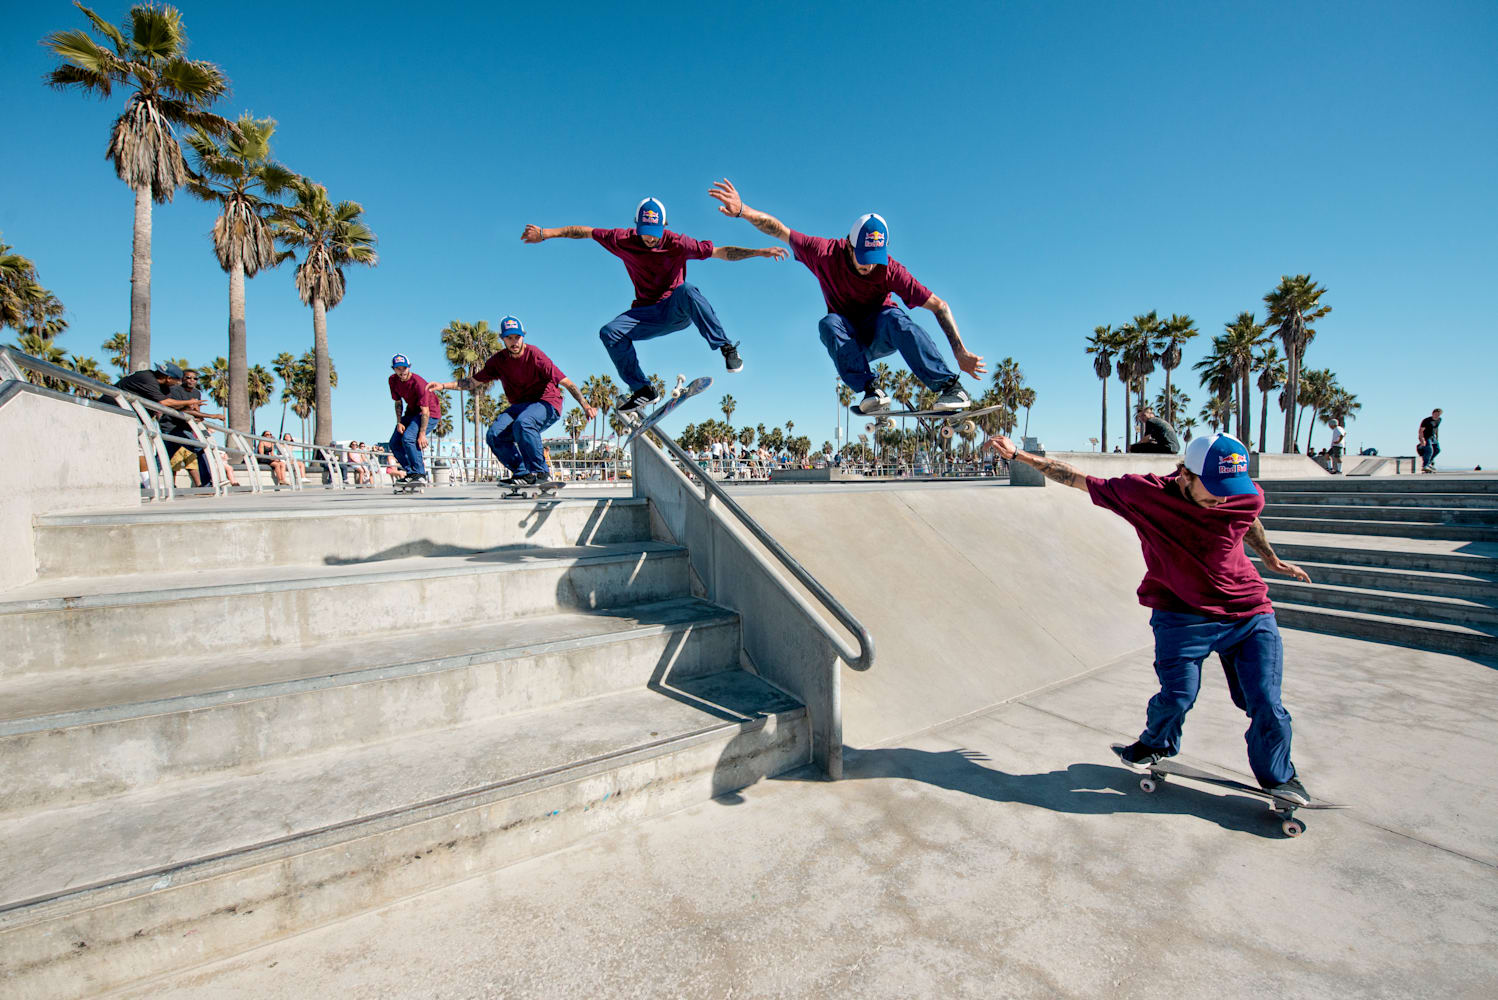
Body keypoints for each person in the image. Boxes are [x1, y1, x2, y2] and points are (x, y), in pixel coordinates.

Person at [985, 430, 1315, 805]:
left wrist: (1270, 559)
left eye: (1229, 488)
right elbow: (1077, 478)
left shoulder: (1241, 492)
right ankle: (1153, 744)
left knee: (1266, 703)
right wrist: (1020, 457)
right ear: (1185, 475)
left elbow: (1249, 517)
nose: (1223, 497)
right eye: (1213, 488)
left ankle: (1280, 780)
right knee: (1177, 697)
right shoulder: (1143, 494)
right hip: (1181, 615)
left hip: (1248, 614)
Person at [708, 178, 984, 415]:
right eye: (862, 258)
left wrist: (959, 351)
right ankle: (871, 390)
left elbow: (939, 305)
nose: (868, 266)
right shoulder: (823, 253)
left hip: (880, 334)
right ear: (848, 245)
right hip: (849, 342)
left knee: (895, 318)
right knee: (829, 323)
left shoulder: (891, 270)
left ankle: (950, 388)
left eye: (874, 259)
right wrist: (743, 211)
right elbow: (780, 230)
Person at [521, 198, 785, 415]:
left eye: (655, 235)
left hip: (675, 309)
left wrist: (758, 252)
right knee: (608, 332)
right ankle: (644, 389)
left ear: (664, 226)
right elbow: (584, 232)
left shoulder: (678, 242)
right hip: (645, 313)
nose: (650, 240)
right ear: (636, 227)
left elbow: (721, 252)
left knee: (687, 289)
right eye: (645, 235)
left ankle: (726, 348)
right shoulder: (621, 239)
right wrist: (545, 234)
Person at [430, 316, 597, 487]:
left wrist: (585, 405)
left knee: (524, 422)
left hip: (547, 402)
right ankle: (523, 473)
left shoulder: (535, 355)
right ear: (502, 339)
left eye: (517, 338)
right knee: (494, 435)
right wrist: (443, 386)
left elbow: (567, 382)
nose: (514, 342)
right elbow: (472, 382)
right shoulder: (499, 361)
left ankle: (541, 473)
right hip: (520, 406)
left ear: (522, 337)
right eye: (509, 338)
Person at [114, 362, 205, 487]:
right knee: (141, 452)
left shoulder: (163, 387)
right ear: (168, 378)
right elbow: (165, 402)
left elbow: (172, 404)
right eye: (177, 381)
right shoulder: (147, 378)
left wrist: (190, 407)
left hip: (132, 419)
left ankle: (148, 484)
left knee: (147, 452)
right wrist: (189, 402)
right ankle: (147, 484)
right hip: (113, 412)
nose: (177, 384)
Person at [388, 354, 437, 485]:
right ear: (394, 369)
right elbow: (398, 402)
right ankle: (411, 473)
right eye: (398, 368)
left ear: (409, 367)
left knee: (409, 438)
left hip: (430, 413)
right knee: (394, 442)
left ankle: (419, 474)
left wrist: (422, 434)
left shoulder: (419, 383)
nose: (401, 371)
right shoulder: (393, 380)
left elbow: (425, 411)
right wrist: (399, 422)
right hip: (411, 413)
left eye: (404, 368)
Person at [1418, 408, 1442, 473]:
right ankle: (1425, 465)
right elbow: (1420, 430)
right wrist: (1422, 439)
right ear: (1432, 413)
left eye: (1438, 414)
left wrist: (1437, 437)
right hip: (1426, 437)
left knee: (1437, 449)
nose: (1436, 416)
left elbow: (1436, 428)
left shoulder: (1439, 420)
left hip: (1433, 437)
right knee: (1429, 450)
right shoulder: (1426, 421)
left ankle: (1429, 462)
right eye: (1435, 414)